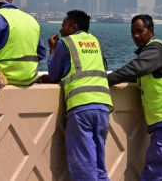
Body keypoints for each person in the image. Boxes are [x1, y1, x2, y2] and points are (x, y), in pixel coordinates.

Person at [108, 15, 162, 181]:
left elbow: (134, 69)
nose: (135, 36)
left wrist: (103, 79)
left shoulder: (155, 49)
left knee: (156, 166)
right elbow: (137, 75)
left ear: (151, 31)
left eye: (139, 31)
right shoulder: (154, 52)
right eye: (132, 32)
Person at [47, 10, 113, 181]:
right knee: (99, 165)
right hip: (103, 106)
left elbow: (54, 74)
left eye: (64, 26)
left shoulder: (66, 42)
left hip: (80, 107)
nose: (61, 30)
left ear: (73, 27)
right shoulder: (95, 41)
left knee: (83, 165)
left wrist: (52, 50)